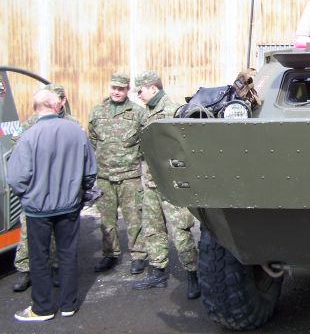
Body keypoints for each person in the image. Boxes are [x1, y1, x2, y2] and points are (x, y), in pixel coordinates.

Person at [8, 89, 96, 321]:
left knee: (39, 258)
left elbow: (16, 178)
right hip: (69, 206)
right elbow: (90, 171)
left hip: (38, 210)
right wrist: (79, 191)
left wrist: (27, 196)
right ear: (54, 106)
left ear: (37, 107)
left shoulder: (28, 136)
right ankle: (69, 304)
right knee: (67, 254)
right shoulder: (76, 131)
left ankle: (43, 308)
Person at [132, 70, 200, 300]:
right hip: (151, 181)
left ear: (153, 88)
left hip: (171, 183)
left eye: (140, 90)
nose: (138, 95)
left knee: (180, 230)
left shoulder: (173, 111)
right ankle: (157, 272)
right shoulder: (145, 113)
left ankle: (193, 274)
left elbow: (186, 147)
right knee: (152, 228)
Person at [11, 83, 77, 293]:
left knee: (59, 237)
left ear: (62, 100)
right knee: (27, 233)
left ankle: (57, 268)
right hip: (37, 191)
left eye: (56, 98)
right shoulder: (32, 123)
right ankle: (25, 269)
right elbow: (18, 152)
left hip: (62, 190)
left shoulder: (72, 124)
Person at [88, 73, 147, 275]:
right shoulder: (97, 112)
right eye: (114, 88)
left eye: (121, 89)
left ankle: (138, 255)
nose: (116, 92)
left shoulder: (138, 113)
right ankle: (110, 254)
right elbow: (93, 139)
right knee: (106, 220)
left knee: (134, 218)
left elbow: (145, 142)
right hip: (104, 176)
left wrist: (131, 159)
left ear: (127, 90)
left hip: (129, 176)